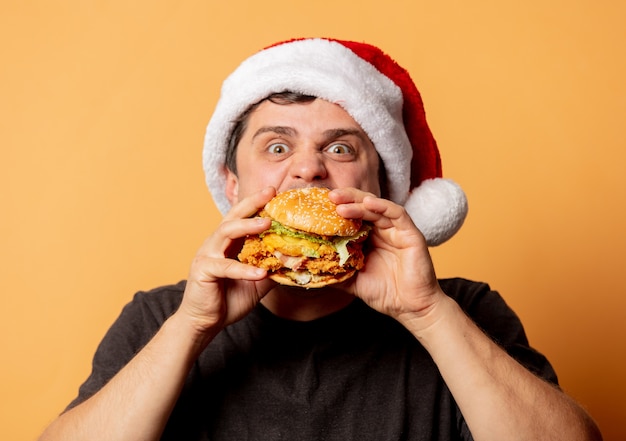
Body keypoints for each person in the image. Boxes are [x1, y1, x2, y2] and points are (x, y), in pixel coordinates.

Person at [39, 38, 602, 440]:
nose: (308, 170)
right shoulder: (160, 318)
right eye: (277, 147)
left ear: (384, 186)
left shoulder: (466, 311)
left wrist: (429, 314)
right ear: (232, 184)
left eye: (340, 148)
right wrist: (190, 330)